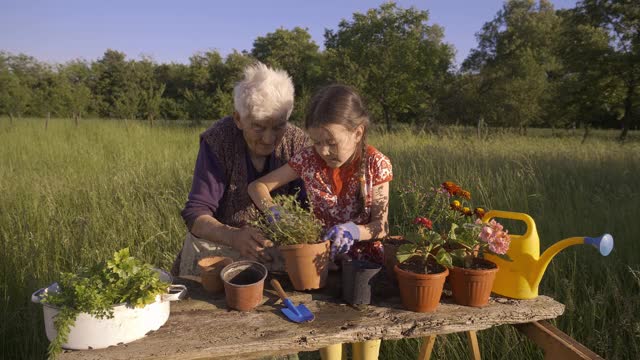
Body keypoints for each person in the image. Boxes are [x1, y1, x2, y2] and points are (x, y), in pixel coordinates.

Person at [248, 84, 393, 360]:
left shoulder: (376, 164)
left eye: (331, 142)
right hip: (322, 269)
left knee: (365, 344)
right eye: (316, 141)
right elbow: (257, 187)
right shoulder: (308, 159)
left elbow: (381, 226)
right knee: (328, 342)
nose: (323, 150)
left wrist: (354, 231)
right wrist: (276, 212)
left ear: (357, 132)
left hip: (364, 274)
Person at [174, 62, 308, 277]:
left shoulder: (298, 143)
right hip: (224, 249)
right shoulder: (218, 140)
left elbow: (310, 207)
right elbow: (196, 214)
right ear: (238, 119)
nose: (269, 138)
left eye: (278, 126)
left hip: (282, 253)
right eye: (258, 126)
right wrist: (233, 236)